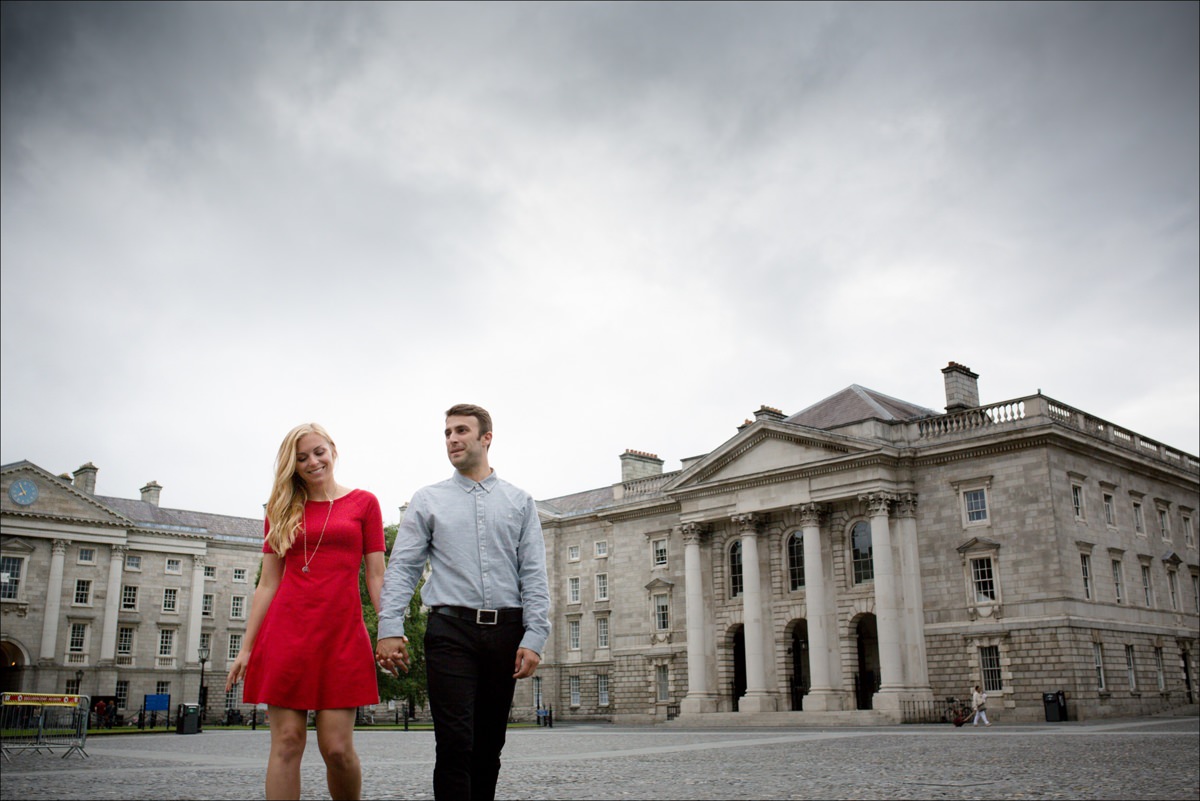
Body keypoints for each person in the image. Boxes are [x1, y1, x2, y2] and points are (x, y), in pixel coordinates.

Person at [376, 404, 550, 801]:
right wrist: (390, 628)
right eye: (447, 433)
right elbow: (402, 568)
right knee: (454, 743)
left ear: (486, 438)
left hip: (506, 632)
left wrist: (535, 635)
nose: (452, 439)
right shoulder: (428, 500)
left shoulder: (520, 501)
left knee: (489, 746)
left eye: (461, 431)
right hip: (450, 631)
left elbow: (533, 573)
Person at [225, 423, 385, 800]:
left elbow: (376, 576)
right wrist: (246, 649)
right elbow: (267, 583)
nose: (312, 462)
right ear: (292, 465)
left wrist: (389, 629)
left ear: (333, 450)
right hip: (287, 634)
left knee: (337, 749)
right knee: (287, 742)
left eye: (318, 452)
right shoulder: (280, 509)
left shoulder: (364, 503)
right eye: (301, 458)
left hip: (342, 635)